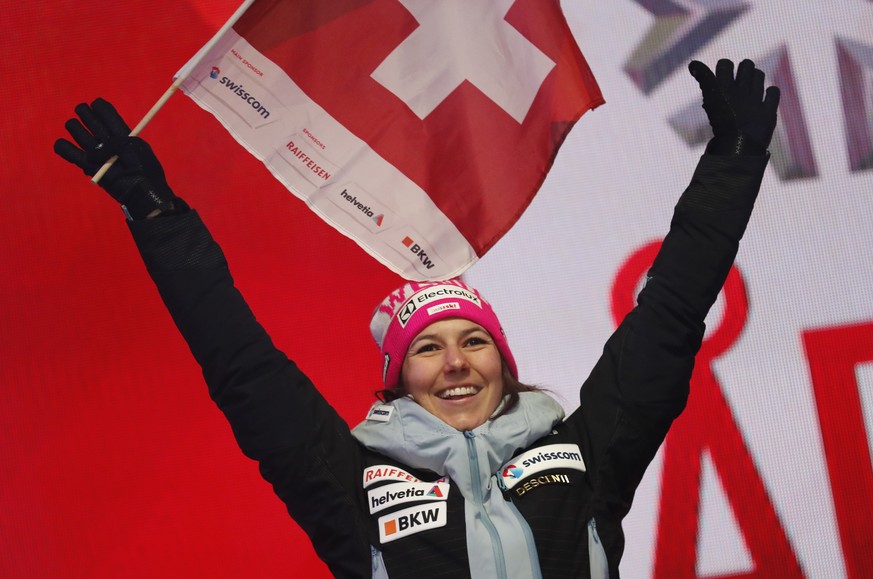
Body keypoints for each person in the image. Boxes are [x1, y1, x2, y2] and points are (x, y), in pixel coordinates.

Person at [54, 59, 780, 579]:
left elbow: (669, 316)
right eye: (427, 348)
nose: (456, 360)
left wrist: (735, 160)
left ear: (503, 361)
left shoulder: (586, 457)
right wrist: (156, 216)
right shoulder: (350, 484)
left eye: (473, 340)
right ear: (398, 379)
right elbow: (242, 366)